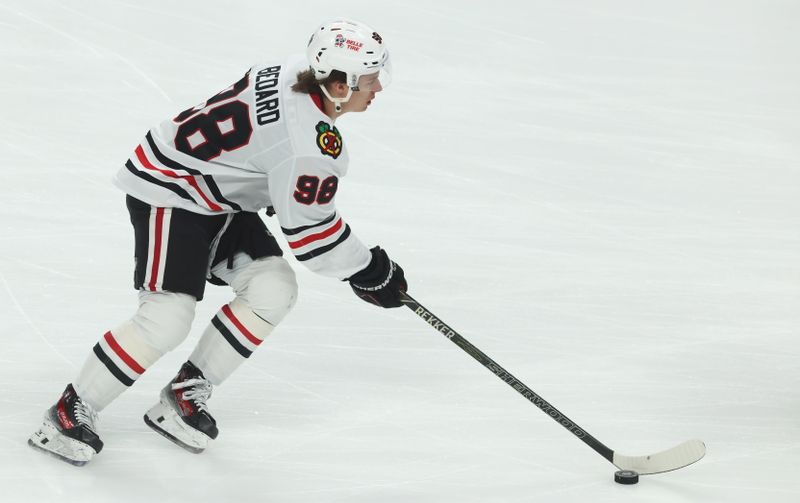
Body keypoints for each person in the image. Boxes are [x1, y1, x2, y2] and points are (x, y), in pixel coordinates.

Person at [28, 18, 408, 466]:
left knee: (274, 289)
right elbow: (313, 239)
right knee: (167, 317)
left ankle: (183, 394)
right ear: (338, 84)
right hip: (171, 191)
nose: (378, 87)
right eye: (369, 78)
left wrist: (269, 185)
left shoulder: (288, 71)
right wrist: (369, 271)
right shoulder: (309, 147)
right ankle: (67, 414)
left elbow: (262, 150)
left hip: (212, 193)